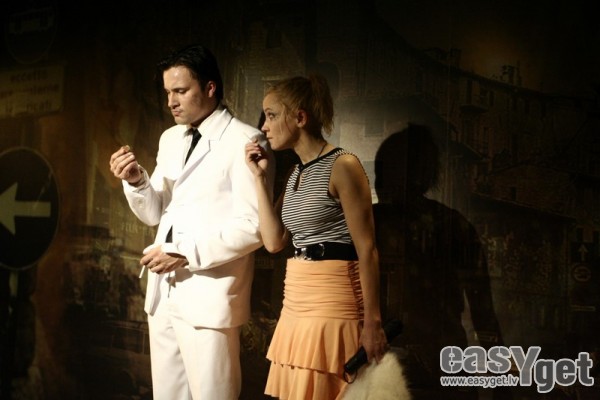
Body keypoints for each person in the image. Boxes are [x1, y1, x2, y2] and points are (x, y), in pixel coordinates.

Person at [109, 44, 274, 400]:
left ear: (210, 87)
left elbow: (254, 225)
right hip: (163, 293)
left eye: (180, 91)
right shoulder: (170, 138)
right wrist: (136, 181)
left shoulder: (245, 139)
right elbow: (155, 213)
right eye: (168, 92)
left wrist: (185, 252)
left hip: (209, 297)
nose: (171, 101)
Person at [245, 75, 388, 399]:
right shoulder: (296, 172)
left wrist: (373, 323)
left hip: (333, 300)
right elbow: (273, 242)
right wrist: (259, 179)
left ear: (300, 117)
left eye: (271, 115)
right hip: (296, 298)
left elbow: (367, 249)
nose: (264, 127)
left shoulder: (343, 165)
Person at [373, 124, 509, 399]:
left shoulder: (368, 224)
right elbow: (484, 313)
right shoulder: (455, 225)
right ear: (428, 174)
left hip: (386, 364)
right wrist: (503, 382)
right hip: (443, 363)